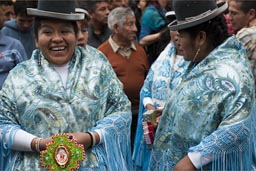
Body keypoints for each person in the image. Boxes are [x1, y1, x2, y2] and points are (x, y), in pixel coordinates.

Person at [0, 0, 133, 170]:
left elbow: (121, 110)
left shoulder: (97, 66)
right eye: (47, 32)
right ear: (36, 38)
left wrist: (91, 137)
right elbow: (3, 123)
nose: (57, 39)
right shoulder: (19, 77)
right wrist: (37, 143)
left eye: (65, 31)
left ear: (76, 35)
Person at [149, 0, 255, 170]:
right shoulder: (201, 61)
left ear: (200, 37)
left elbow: (240, 125)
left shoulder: (231, 72)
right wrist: (171, 114)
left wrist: (194, 159)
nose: (178, 42)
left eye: (181, 35)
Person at [132, 28, 188, 170]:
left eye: (182, 30)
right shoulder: (163, 58)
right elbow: (146, 88)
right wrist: (150, 107)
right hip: (154, 129)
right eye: (174, 30)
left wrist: (167, 112)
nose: (178, 35)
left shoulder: (198, 62)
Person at [98, 7, 149, 151]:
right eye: (129, 24)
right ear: (116, 28)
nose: (134, 29)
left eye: (135, 24)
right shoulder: (102, 53)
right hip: (116, 119)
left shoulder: (140, 51)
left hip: (139, 116)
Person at [228, 0, 256, 94]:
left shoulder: (246, 34)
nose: (229, 17)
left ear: (251, 14)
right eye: (229, 12)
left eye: (234, 13)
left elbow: (228, 67)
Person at [139, 0, 170, 66]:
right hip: (156, 56)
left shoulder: (163, 10)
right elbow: (142, 41)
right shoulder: (150, 13)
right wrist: (161, 35)